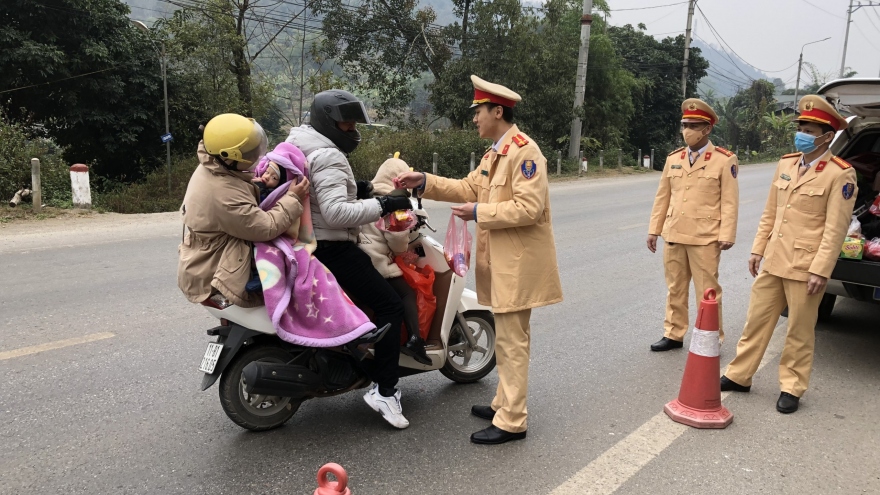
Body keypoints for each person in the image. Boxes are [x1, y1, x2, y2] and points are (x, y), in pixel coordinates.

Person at [396, 75, 563, 445]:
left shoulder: (525, 152)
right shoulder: (495, 153)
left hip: (518, 265)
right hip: (504, 263)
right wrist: (423, 180)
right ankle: (504, 400)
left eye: (479, 111)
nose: (474, 118)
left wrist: (479, 211)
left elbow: (529, 208)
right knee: (505, 339)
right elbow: (467, 187)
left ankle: (512, 421)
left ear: (497, 111)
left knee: (512, 342)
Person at [286, 89, 414, 429]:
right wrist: (387, 205)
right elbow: (336, 211)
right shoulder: (327, 154)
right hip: (332, 248)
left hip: (310, 246)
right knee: (390, 306)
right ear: (329, 121)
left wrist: (359, 188)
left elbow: (319, 192)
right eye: (346, 122)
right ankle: (385, 391)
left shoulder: (301, 142)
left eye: (355, 121)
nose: (352, 128)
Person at [721, 95, 857, 414]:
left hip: (806, 265)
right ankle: (740, 375)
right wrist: (757, 249)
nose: (803, 134)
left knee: (799, 328)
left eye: (809, 129)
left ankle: (792, 386)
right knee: (756, 320)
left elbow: (835, 229)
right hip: (774, 259)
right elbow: (770, 213)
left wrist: (821, 270)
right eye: (801, 127)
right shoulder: (786, 164)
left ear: (827, 135)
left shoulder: (840, 174)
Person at [178, 113, 309, 307]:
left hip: (201, 258)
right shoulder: (224, 193)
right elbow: (266, 227)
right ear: (228, 157)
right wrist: (293, 198)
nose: (256, 157)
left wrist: (252, 185)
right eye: (249, 154)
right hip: (216, 272)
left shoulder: (213, 164)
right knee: (302, 283)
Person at [646, 98, 739, 352]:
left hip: (705, 237)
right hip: (674, 232)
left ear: (706, 129)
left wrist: (727, 234)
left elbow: (730, 202)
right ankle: (674, 334)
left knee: (707, 292)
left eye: (692, 125)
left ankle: (710, 340)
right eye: (684, 125)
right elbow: (662, 196)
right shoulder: (673, 158)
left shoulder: (724, 160)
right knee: (675, 288)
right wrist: (654, 230)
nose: (686, 130)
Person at [359, 157, 432, 366]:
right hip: (377, 262)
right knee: (406, 292)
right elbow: (398, 243)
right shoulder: (394, 204)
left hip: (358, 259)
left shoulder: (366, 199)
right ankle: (415, 340)